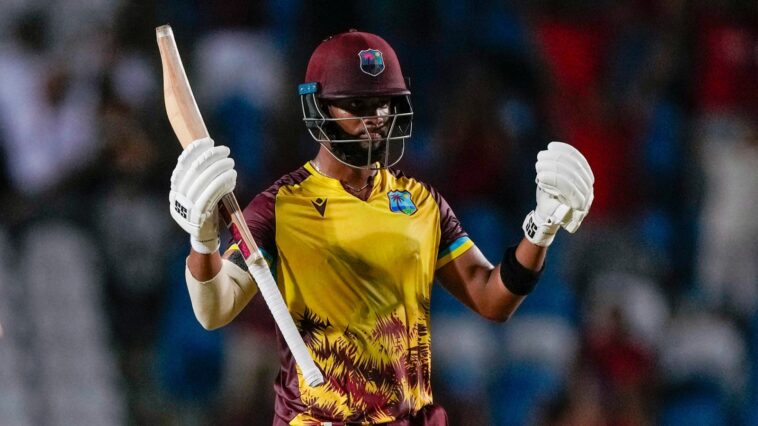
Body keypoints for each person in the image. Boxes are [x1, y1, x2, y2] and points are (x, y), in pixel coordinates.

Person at [168, 30, 594, 425]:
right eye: (356, 104)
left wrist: (540, 230)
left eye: (384, 103)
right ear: (319, 107)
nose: (375, 118)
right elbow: (214, 309)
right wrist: (202, 239)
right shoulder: (279, 206)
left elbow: (491, 299)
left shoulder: (422, 202)